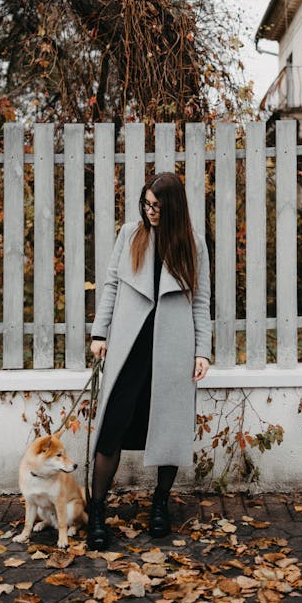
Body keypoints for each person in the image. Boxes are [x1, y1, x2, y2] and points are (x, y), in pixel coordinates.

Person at [87, 171, 211, 549]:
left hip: (173, 347)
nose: (149, 211)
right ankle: (96, 512)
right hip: (130, 345)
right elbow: (110, 284)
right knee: (111, 430)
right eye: (145, 204)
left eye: (156, 205)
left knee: (168, 429)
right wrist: (99, 332)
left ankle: (160, 504)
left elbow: (202, 300)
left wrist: (202, 350)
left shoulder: (193, 245)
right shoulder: (130, 235)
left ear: (172, 206)